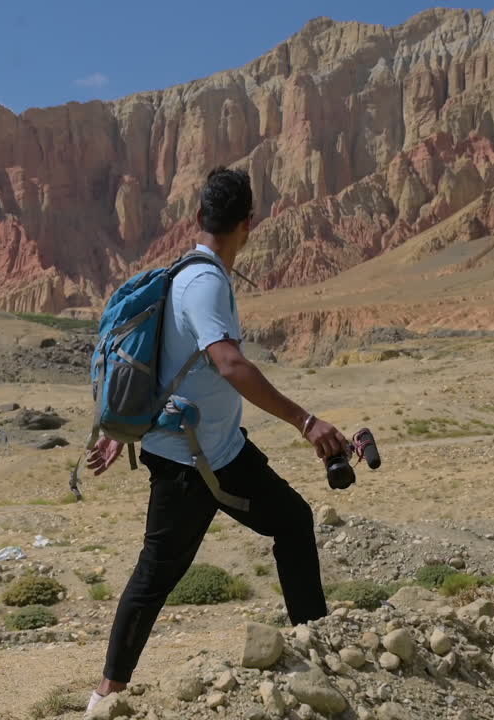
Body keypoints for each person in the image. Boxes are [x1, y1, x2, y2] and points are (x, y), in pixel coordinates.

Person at [84, 166, 347, 711]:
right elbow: (228, 363)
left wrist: (131, 429)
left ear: (200, 216)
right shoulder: (203, 282)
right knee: (156, 574)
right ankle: (105, 696)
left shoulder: (192, 274)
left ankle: (315, 649)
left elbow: (169, 364)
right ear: (249, 224)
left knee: (293, 521)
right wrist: (306, 422)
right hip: (190, 464)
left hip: (222, 452)